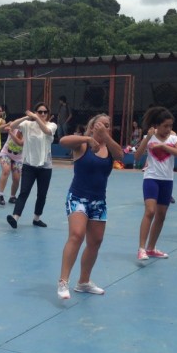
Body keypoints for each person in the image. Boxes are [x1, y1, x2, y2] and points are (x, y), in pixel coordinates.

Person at [57, 114, 124, 299]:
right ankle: (63, 282)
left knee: (95, 241)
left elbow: (121, 155)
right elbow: (63, 140)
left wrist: (107, 137)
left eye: (108, 125)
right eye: (100, 124)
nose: (104, 128)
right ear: (92, 126)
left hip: (98, 201)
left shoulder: (110, 148)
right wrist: (88, 137)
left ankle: (84, 282)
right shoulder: (83, 145)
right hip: (78, 197)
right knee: (77, 234)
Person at [134, 106, 177, 260]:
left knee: (161, 215)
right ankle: (141, 248)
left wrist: (163, 146)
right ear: (156, 125)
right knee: (150, 211)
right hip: (151, 178)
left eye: (170, 126)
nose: (168, 129)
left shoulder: (174, 139)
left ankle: (151, 248)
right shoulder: (149, 138)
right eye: (165, 126)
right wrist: (147, 138)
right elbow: (137, 156)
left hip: (167, 180)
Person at [6, 102, 58, 229]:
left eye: (45, 112)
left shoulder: (52, 125)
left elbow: (46, 131)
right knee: (24, 192)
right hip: (29, 164)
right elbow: (12, 125)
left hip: (45, 166)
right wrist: (26, 117)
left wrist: (35, 118)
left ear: (48, 114)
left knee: (42, 194)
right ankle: (15, 217)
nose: (42, 114)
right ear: (35, 112)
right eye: (39, 112)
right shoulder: (27, 124)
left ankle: (36, 218)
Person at [0, 124, 23, 206]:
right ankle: (0, 195)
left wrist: (10, 133)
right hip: (6, 154)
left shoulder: (28, 133)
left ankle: (12, 196)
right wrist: (8, 125)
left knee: (16, 178)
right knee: (6, 170)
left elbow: (20, 143)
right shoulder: (14, 126)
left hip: (18, 158)